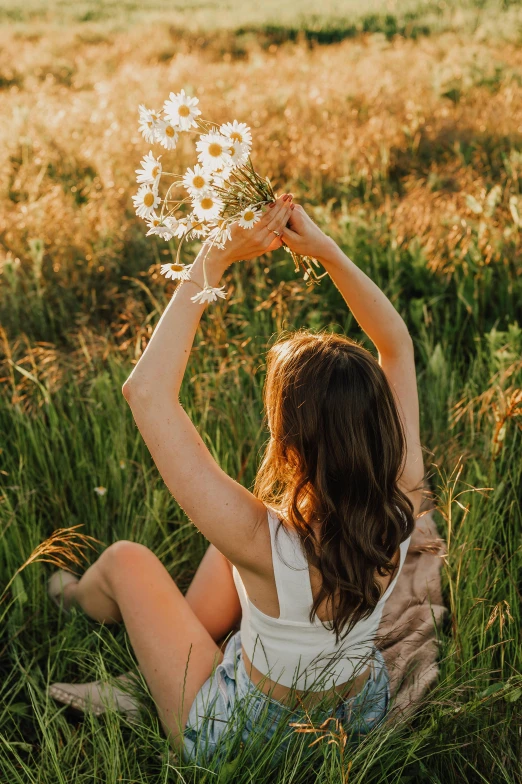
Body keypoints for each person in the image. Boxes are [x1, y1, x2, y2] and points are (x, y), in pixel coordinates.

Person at [47, 194, 426, 765]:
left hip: (247, 740)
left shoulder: (261, 539)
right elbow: (395, 344)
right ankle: (142, 677)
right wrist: (323, 250)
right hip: (356, 718)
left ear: (291, 441)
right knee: (230, 546)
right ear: (382, 425)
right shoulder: (404, 496)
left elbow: (146, 393)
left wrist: (214, 258)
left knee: (127, 560)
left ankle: (71, 599)